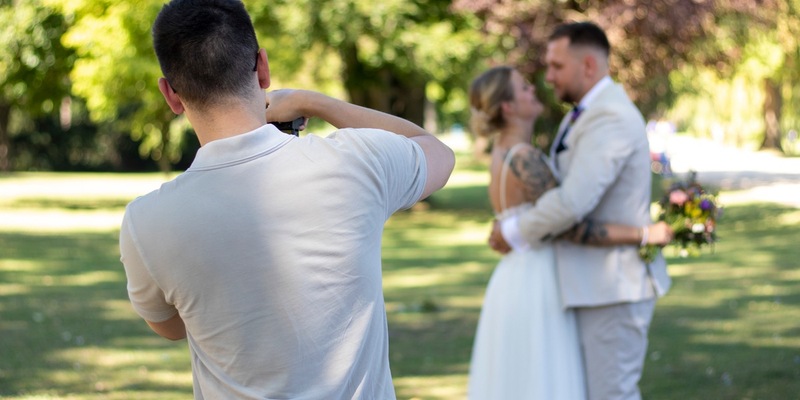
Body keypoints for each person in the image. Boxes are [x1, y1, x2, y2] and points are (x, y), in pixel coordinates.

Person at [118, 1, 455, 398]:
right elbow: (436, 152)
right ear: (262, 67)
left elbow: (172, 327)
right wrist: (316, 103)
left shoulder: (146, 222)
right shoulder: (355, 162)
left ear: (171, 95)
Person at [489, 22, 672, 400]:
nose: (548, 76)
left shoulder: (610, 116)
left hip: (613, 287)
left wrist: (514, 230)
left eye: (556, 66)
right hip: (590, 284)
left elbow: (572, 201)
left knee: (611, 394)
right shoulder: (585, 113)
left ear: (587, 65)